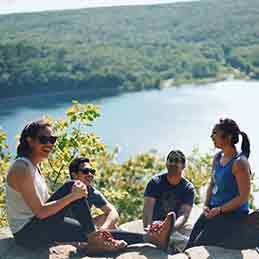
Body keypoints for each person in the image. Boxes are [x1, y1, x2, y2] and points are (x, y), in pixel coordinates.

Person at [6, 119, 174, 254]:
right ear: (29, 141)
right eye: (44, 139)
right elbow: (41, 212)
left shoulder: (33, 167)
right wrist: (71, 196)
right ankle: (95, 240)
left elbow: (44, 211)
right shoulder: (22, 168)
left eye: (52, 139)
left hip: (40, 227)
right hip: (28, 234)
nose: (49, 144)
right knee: (73, 186)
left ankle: (150, 238)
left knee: (90, 232)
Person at [185, 118, 251, 249]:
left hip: (233, 214)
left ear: (228, 137)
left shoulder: (239, 162)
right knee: (190, 244)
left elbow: (243, 197)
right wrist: (206, 205)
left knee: (199, 245)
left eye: (215, 133)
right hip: (214, 210)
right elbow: (212, 184)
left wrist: (220, 210)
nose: (211, 136)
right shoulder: (217, 157)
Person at [143, 150, 195, 250]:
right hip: (156, 223)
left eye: (176, 161)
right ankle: (184, 245)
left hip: (176, 225)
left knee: (191, 231)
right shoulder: (155, 182)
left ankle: (175, 243)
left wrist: (170, 228)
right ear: (166, 163)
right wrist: (148, 228)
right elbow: (147, 210)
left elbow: (184, 215)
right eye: (170, 160)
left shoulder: (188, 188)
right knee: (180, 240)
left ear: (183, 165)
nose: (172, 163)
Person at [69, 157, 119, 230]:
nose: (90, 174)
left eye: (92, 171)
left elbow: (113, 212)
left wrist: (104, 228)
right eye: (85, 171)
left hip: (83, 227)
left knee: (108, 220)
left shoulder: (92, 192)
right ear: (74, 175)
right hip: (64, 227)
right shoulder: (66, 190)